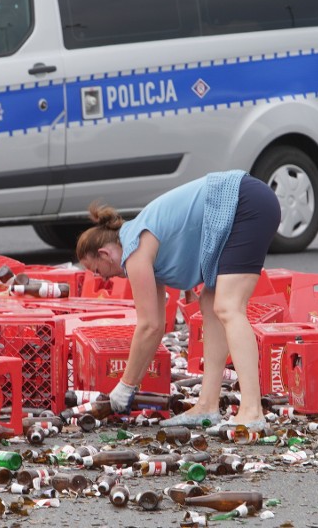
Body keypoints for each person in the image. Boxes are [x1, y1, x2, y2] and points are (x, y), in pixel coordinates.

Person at [76, 169, 281, 429]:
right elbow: (158, 324)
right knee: (210, 302)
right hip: (246, 201)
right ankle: (207, 405)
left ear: (104, 254)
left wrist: (125, 386)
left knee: (228, 306)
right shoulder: (139, 239)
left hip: (245, 202)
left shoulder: (135, 249)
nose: (102, 279)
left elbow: (149, 327)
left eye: (96, 270)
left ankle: (252, 411)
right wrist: (129, 383)